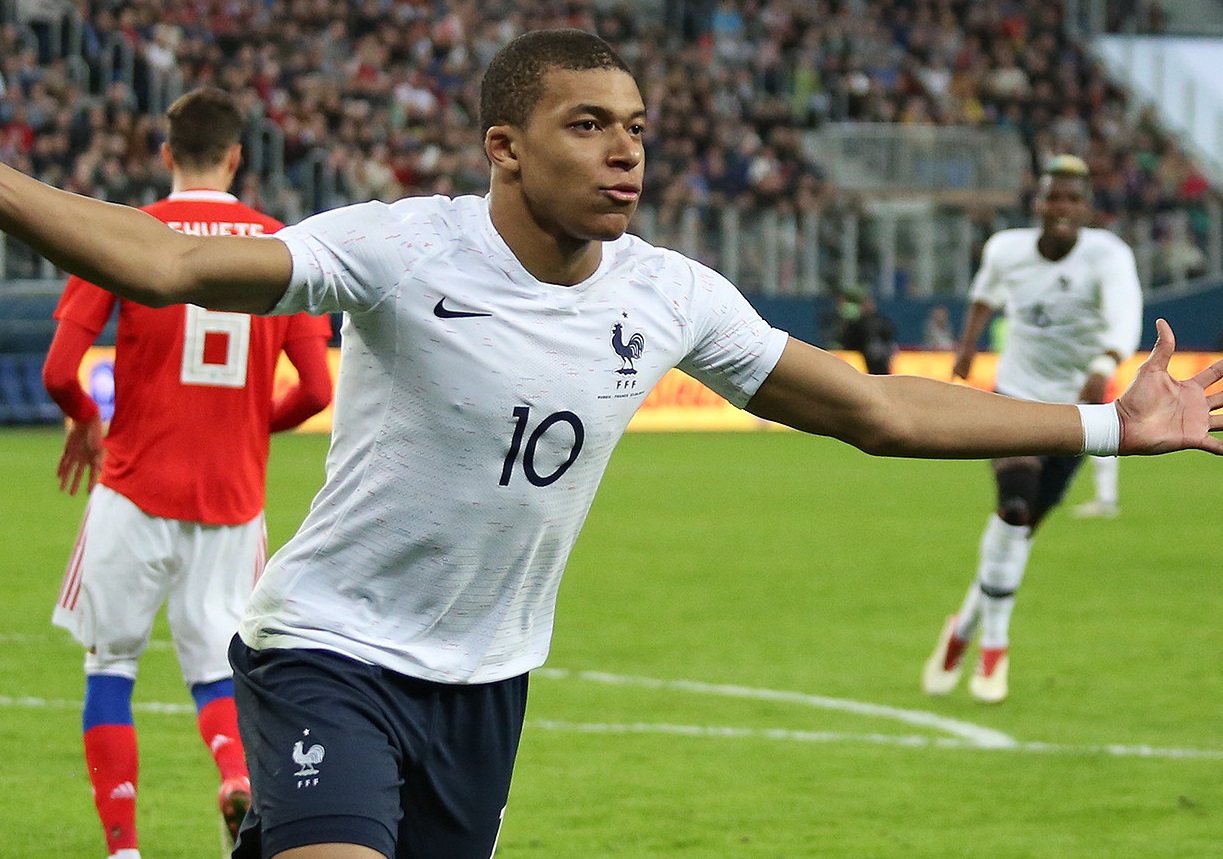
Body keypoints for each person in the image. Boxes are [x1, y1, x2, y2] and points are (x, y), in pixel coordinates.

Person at [1, 31, 1219, 859]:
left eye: (634, 124)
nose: (625, 148)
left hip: (486, 680)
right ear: (504, 148)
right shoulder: (396, 248)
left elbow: (873, 407)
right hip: (328, 647)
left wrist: (1117, 421)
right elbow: (162, 262)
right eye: (586, 125)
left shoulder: (670, 294)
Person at [39, 87, 333, 859]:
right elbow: (318, 390)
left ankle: (125, 849)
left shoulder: (128, 236)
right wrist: (244, 426)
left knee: (111, 664)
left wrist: (87, 419)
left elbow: (60, 369)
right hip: (233, 501)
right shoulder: (278, 242)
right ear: (237, 157)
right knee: (215, 666)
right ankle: (235, 773)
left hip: (134, 486)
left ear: (166, 155)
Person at [921, 154, 1144, 704]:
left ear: (1085, 207)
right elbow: (984, 294)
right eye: (1052, 197)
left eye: (1072, 199)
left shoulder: (1107, 256)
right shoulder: (1006, 250)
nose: (1061, 208)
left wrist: (1101, 367)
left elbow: (1125, 315)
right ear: (1038, 203)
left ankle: (962, 629)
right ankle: (995, 646)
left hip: (1076, 413)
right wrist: (968, 348)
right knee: (1013, 509)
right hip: (1014, 400)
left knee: (1019, 538)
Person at [1074, 375, 1123, 518]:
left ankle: (1105, 500)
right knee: (1104, 459)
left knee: (1103, 458)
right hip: (1104, 409)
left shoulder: (1096, 374)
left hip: (1099, 410)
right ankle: (1106, 499)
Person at [839, 294, 897, 374]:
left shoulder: (880, 321)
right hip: (865, 359)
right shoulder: (859, 323)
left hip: (878, 358)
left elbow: (889, 335)